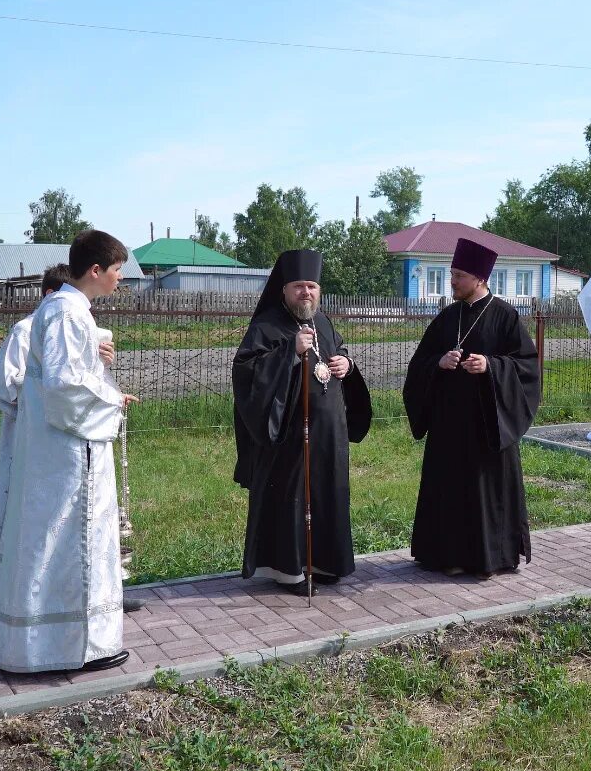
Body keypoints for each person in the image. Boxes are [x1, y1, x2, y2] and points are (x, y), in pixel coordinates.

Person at [0, 230, 139, 673]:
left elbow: (69, 373)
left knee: (58, 538)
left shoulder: (67, 312)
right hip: (69, 454)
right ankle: (72, 647)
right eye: (116, 271)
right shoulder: (66, 314)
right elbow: (64, 386)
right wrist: (111, 399)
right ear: (96, 270)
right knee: (69, 538)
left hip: (62, 448)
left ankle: (57, 644)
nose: (119, 280)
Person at [231, 249, 371, 594]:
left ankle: (324, 563)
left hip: (327, 432)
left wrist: (346, 365)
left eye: (311, 286)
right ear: (284, 289)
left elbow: (338, 353)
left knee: (327, 493)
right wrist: (288, 353)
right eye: (298, 286)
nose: (305, 293)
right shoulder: (267, 325)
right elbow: (246, 372)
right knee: (292, 498)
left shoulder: (322, 321)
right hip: (288, 435)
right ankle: (289, 571)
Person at [403, 238, 541, 577]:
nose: (452, 281)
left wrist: (491, 366)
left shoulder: (505, 316)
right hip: (449, 425)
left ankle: (490, 557)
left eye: (459, 275)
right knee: (449, 490)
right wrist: (439, 362)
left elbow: (527, 367)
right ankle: (444, 555)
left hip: (488, 425)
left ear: (479, 278)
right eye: (452, 274)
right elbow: (418, 363)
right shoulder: (447, 317)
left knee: (484, 491)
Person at [0, 263, 77, 604]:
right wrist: (40, 396)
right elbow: (4, 387)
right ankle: (22, 594)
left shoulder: (72, 326)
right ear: (52, 295)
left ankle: (75, 590)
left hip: (65, 442)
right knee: (29, 514)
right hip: (29, 439)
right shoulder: (25, 331)